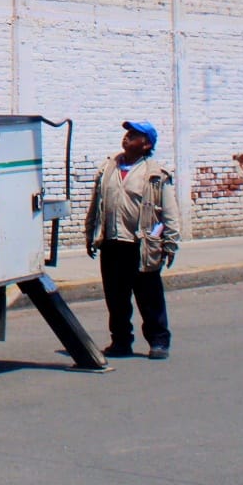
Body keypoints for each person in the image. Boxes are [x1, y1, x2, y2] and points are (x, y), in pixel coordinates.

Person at [85, 119, 181, 360]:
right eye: (127, 133)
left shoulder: (155, 175)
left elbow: (168, 213)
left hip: (141, 246)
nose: (127, 137)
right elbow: (96, 205)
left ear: (146, 144)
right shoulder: (109, 168)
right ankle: (120, 341)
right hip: (112, 243)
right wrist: (90, 234)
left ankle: (158, 341)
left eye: (134, 135)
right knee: (116, 299)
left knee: (149, 298)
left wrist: (167, 243)